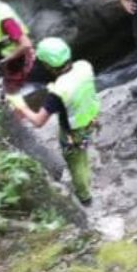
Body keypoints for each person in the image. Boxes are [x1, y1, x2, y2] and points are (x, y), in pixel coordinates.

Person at [10, 37, 100, 206]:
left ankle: (84, 196)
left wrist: (21, 106)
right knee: (82, 153)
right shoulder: (84, 66)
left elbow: (38, 122)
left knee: (75, 163)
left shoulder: (58, 93)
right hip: (90, 119)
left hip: (73, 132)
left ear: (48, 66)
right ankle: (85, 175)